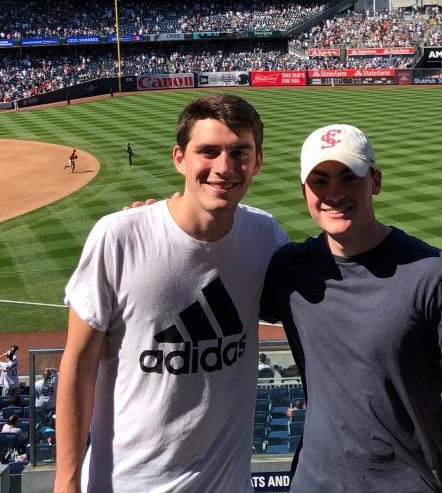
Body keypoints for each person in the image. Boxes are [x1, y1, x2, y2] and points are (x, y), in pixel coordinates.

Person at [56, 93, 286, 493]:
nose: (224, 168)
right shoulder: (120, 236)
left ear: (258, 162)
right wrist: (66, 482)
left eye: (239, 153)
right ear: (179, 157)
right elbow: (77, 365)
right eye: (208, 152)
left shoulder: (266, 236)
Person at [261, 123, 442, 493]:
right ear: (304, 192)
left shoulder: (433, 272)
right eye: (319, 181)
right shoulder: (289, 268)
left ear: (376, 180)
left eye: (349, 177)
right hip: (314, 483)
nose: (334, 193)